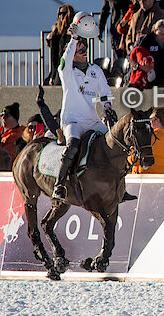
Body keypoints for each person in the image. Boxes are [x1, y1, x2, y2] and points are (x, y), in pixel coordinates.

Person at [53, 13, 114, 200]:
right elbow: (65, 58)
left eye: (85, 48)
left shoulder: (95, 70)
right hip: (73, 121)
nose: (85, 51)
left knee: (114, 141)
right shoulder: (67, 71)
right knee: (72, 146)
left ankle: (119, 183)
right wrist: (74, 39)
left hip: (93, 120)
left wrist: (108, 108)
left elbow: (104, 92)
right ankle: (59, 184)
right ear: (73, 55)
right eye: (81, 50)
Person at [129, 107, 164, 174]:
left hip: (147, 177)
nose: (150, 121)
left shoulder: (152, 138)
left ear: (157, 121)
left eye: (151, 119)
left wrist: (129, 156)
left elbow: (135, 160)